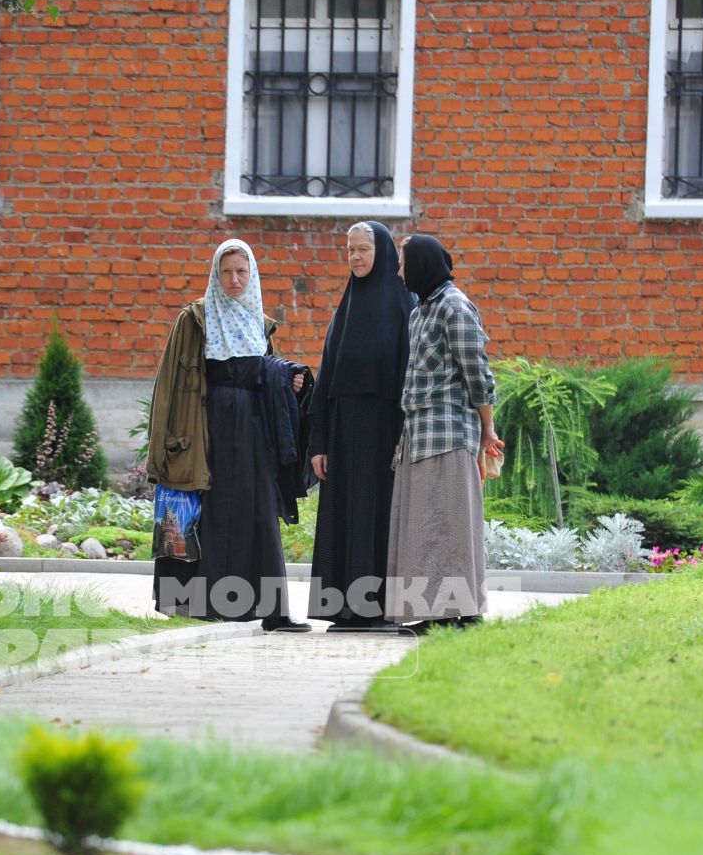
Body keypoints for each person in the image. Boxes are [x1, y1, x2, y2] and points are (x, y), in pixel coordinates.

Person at [145, 239, 311, 631]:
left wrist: (289, 378)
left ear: (251, 275)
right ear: (215, 275)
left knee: (260, 512)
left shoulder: (258, 321)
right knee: (209, 513)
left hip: (255, 433)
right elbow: (169, 385)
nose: (234, 280)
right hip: (206, 430)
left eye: (241, 271)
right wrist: (164, 447)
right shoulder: (195, 319)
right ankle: (202, 605)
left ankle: (272, 610)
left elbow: (263, 376)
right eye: (226, 271)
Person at [387, 234, 503, 632]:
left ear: (421, 264)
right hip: (419, 433)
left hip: (450, 432)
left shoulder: (454, 306)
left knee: (451, 525)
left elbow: (477, 371)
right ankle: (436, 613)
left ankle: (464, 615)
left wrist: (487, 428)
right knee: (427, 525)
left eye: (403, 263)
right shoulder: (420, 311)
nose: (399, 272)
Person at [308, 221, 412, 633]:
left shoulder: (404, 305)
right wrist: (319, 441)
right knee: (344, 516)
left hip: (386, 431)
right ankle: (346, 610)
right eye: (350, 250)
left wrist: (403, 434)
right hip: (342, 431)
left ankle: (382, 610)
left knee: (380, 518)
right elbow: (327, 377)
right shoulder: (344, 308)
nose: (355, 257)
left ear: (382, 252)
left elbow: (410, 376)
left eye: (363, 249)